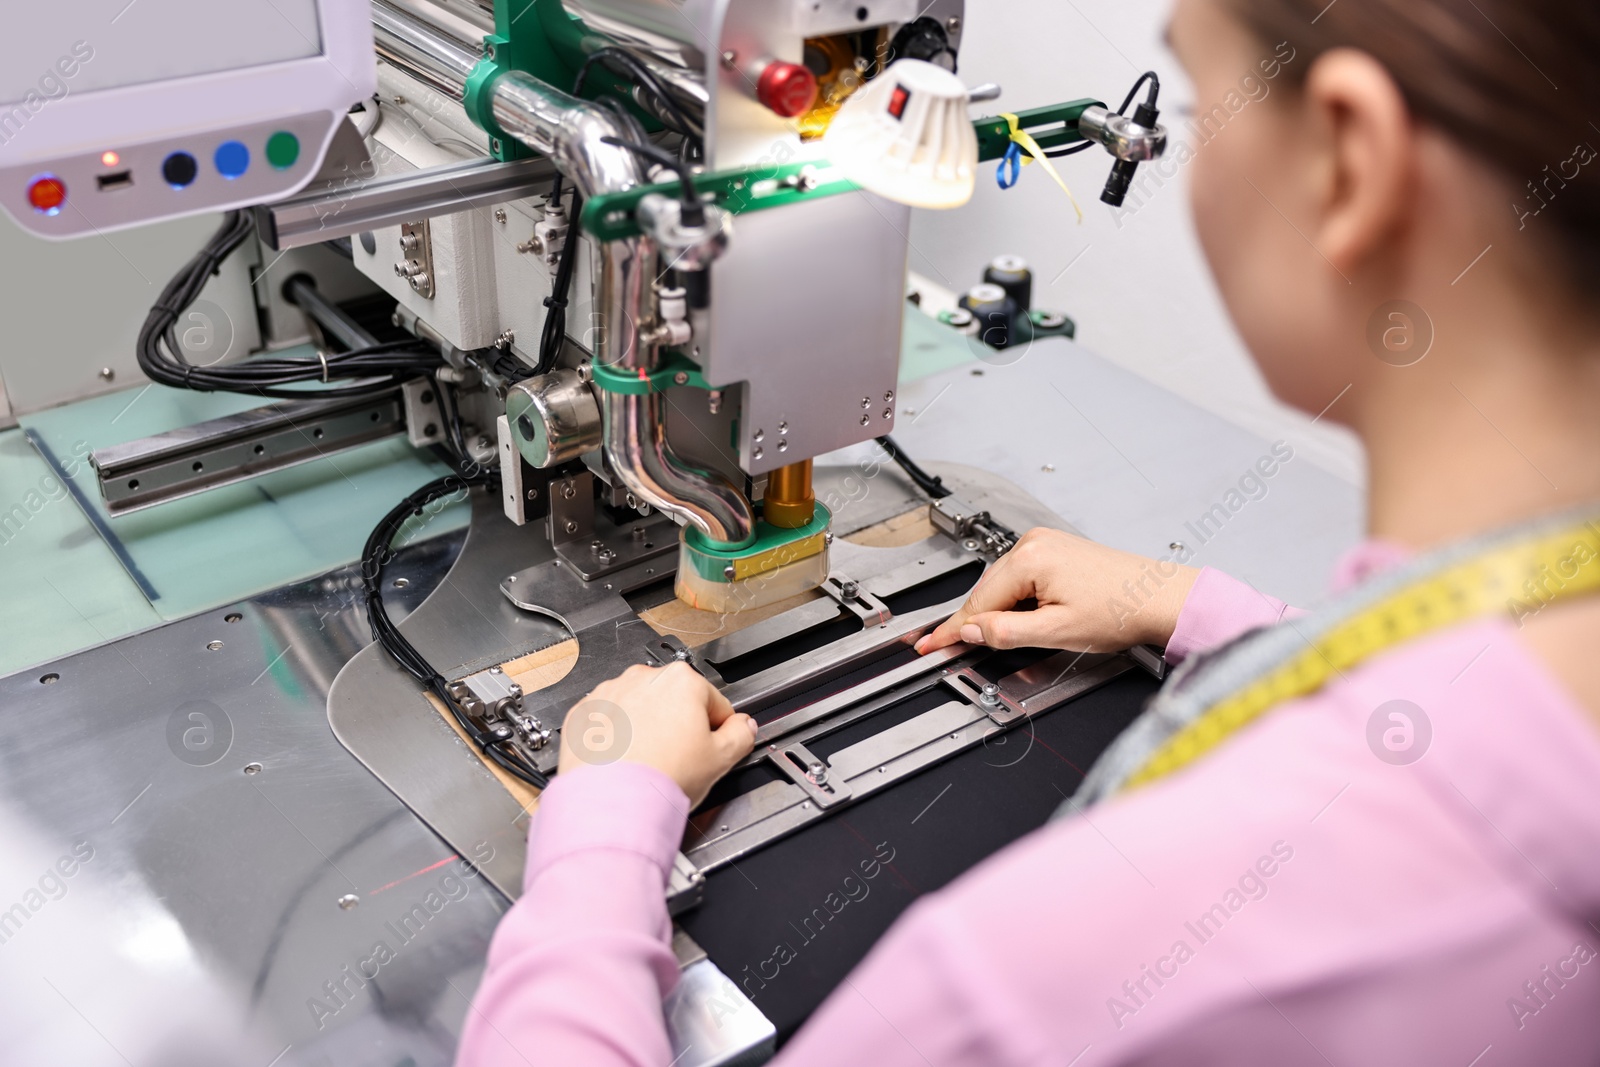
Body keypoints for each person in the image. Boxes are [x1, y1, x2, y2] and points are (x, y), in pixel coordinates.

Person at [456, 0, 1600, 1061]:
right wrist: (1222, 616)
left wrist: (601, 826)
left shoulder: (1059, 972)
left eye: (1201, 107)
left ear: (1352, 163)